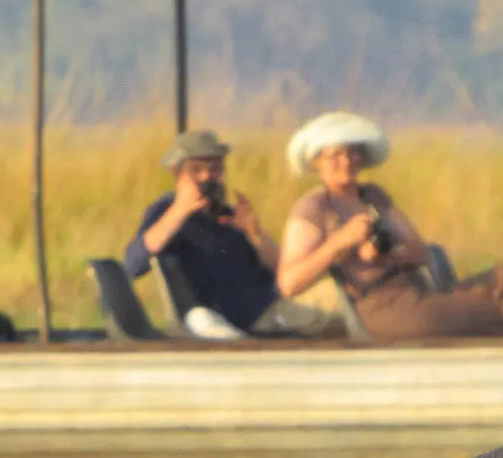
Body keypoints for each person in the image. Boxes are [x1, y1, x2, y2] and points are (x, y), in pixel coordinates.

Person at [277, 112, 503, 342]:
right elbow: (290, 283)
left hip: (418, 293)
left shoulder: (374, 197)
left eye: (352, 153)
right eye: (334, 155)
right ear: (317, 162)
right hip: (385, 309)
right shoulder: (314, 209)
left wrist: (390, 254)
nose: (346, 162)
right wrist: (340, 243)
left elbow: (421, 252)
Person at [125, 129, 342, 339]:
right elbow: (134, 263)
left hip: (273, 302)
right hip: (250, 315)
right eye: (197, 170)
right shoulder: (167, 212)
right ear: (177, 173)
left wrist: (254, 233)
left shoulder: (228, 215)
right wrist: (180, 210)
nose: (207, 177)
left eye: (215, 169)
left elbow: (281, 269)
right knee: (345, 298)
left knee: (344, 287)